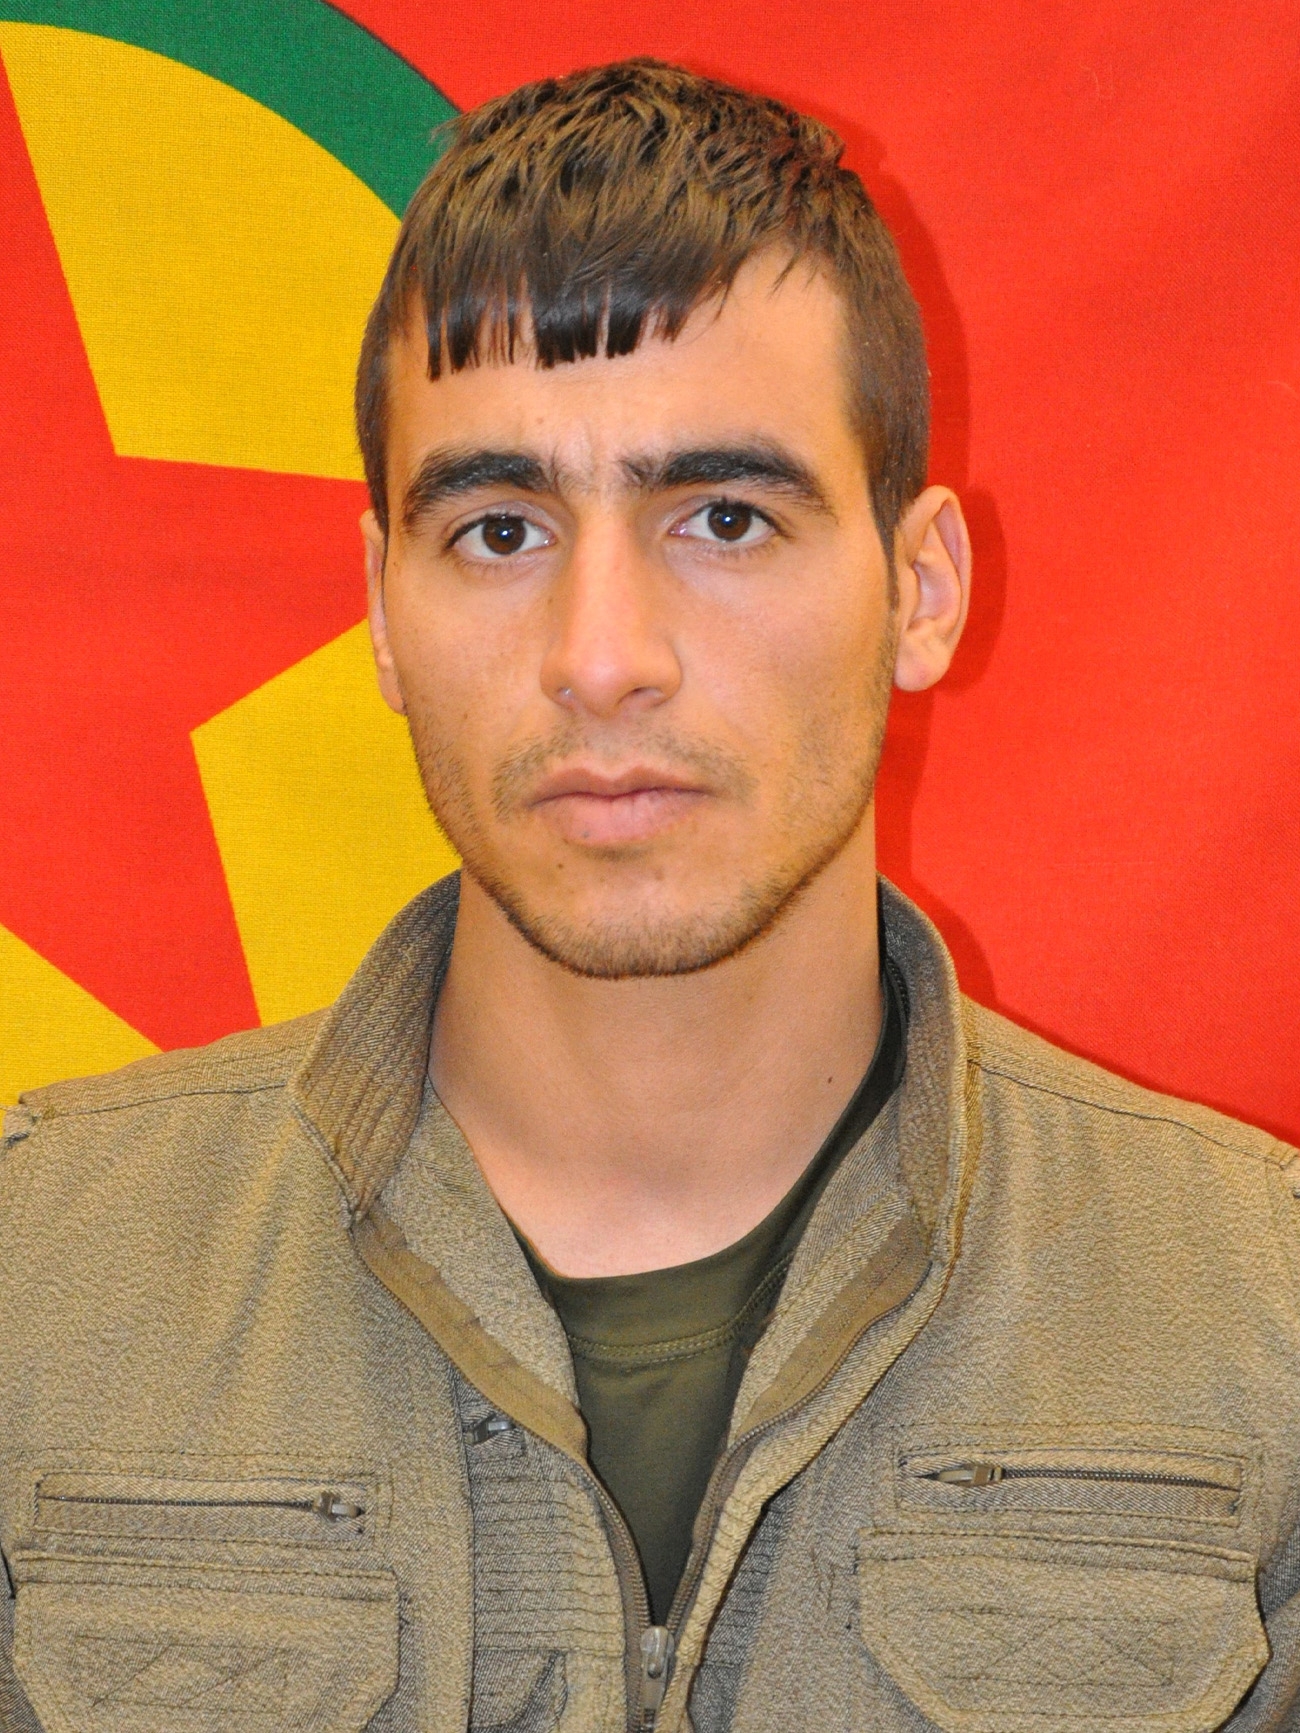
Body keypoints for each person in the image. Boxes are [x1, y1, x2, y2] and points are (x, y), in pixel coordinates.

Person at [1, 57, 1296, 1733]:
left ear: (921, 590)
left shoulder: (1258, 1317)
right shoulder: (38, 1283)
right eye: (499, 530)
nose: (603, 656)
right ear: (382, 611)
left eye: (726, 518)